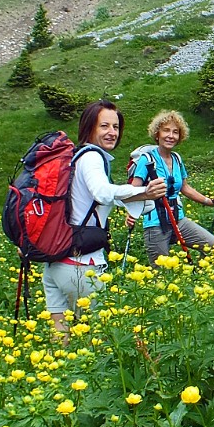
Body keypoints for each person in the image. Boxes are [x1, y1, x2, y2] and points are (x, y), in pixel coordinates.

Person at [42, 100, 165, 338]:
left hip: (55, 264)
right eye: (104, 126)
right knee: (108, 337)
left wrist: (140, 201)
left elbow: (95, 198)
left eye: (116, 127)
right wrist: (143, 192)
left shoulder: (74, 158)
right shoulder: (91, 157)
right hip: (81, 265)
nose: (112, 133)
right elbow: (101, 191)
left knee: (60, 340)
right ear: (89, 128)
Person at [127, 110, 214, 266]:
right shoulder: (147, 160)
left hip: (178, 220)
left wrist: (210, 201)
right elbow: (132, 191)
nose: (170, 136)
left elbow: (185, 188)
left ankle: (198, 282)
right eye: (166, 130)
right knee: (162, 273)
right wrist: (131, 212)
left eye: (175, 132)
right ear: (157, 134)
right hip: (155, 224)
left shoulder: (177, 159)